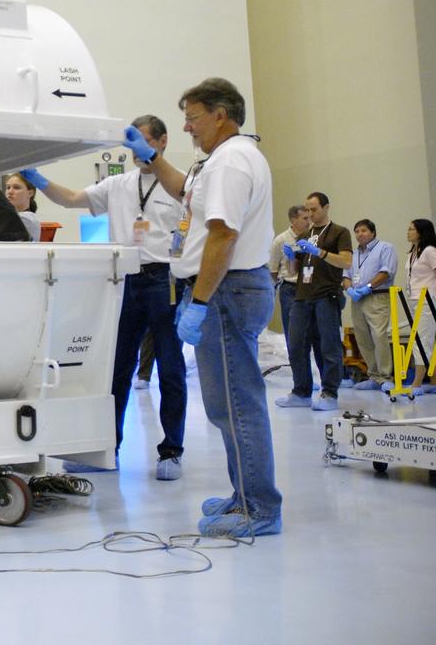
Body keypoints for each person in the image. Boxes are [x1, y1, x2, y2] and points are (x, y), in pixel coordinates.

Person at [146, 77, 281, 538]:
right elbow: (188, 192)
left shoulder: (230, 163)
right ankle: (245, 494)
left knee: (238, 405)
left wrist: (199, 300)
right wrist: (152, 157)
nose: (186, 127)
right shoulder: (221, 162)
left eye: (192, 117)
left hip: (226, 292)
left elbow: (223, 235)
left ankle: (259, 508)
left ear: (220, 115)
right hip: (227, 290)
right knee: (227, 405)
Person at [19, 114, 188, 481]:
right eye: (130, 143)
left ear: (161, 142)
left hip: (164, 279)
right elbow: (71, 199)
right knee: (117, 369)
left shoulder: (178, 186)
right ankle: (108, 446)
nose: (135, 150)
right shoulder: (118, 184)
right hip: (124, 279)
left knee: (171, 369)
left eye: (142, 142)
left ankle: (172, 451)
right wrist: (39, 179)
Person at [275, 192, 353, 410]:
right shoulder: (306, 235)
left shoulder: (339, 232)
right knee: (296, 343)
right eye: (307, 210)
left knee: (328, 345)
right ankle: (301, 392)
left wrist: (321, 252)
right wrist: (291, 257)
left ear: (326, 208)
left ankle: (329, 393)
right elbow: (295, 270)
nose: (310, 214)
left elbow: (346, 262)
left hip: (326, 295)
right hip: (302, 295)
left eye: (314, 210)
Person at [341, 219, 398, 391]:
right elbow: (345, 275)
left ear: (373, 232)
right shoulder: (353, 254)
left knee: (378, 335)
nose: (360, 234)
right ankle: (373, 376)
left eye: (363, 231)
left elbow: (386, 272)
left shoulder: (385, 248)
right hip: (357, 299)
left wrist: (367, 287)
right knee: (362, 337)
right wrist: (349, 289)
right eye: (357, 231)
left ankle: (385, 376)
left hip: (376, 296)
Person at [270, 205, 320, 371]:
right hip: (290, 289)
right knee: (294, 334)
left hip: (311, 288)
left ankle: (317, 372)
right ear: (293, 220)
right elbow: (273, 270)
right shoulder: (281, 240)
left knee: (314, 331)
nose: (309, 221)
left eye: (309, 217)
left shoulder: (314, 237)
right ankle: (299, 375)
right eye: (304, 218)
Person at [403, 219, 436, 394]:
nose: (408, 232)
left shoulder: (430, 251)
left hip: (428, 300)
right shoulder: (412, 252)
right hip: (414, 299)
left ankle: (416, 383)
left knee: (421, 340)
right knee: (424, 338)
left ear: (422, 232)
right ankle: (433, 381)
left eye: (411, 229)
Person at [4, 172, 41, 241]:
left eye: (16, 187)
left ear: (30, 193)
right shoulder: (19, 216)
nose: (10, 192)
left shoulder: (25, 218)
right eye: (8, 187)